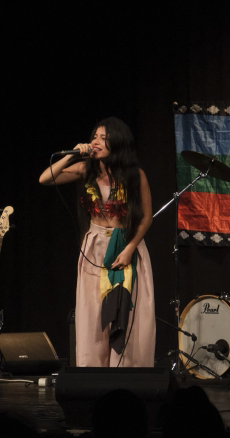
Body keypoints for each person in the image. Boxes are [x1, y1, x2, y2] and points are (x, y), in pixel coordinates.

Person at [39, 117, 154, 367]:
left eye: (103, 138)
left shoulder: (135, 175)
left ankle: (125, 370)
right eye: (94, 137)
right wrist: (72, 156)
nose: (96, 142)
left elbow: (146, 218)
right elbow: (45, 179)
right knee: (92, 311)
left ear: (118, 142)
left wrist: (130, 248)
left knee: (125, 310)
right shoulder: (85, 169)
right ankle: (93, 369)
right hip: (95, 245)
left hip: (126, 246)